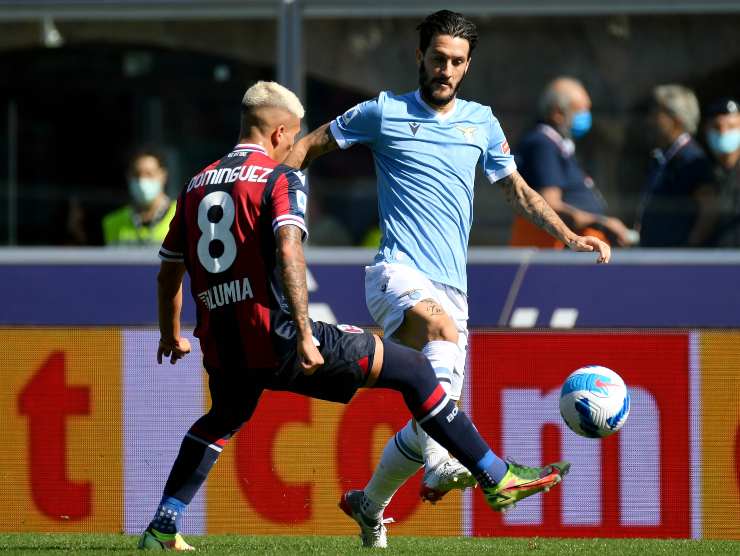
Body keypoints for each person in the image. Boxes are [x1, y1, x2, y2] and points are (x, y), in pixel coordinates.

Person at [138, 81, 572, 551]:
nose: (294, 145)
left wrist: (170, 334)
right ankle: (496, 474)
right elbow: (289, 253)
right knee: (414, 368)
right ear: (281, 132)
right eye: (295, 136)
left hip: (222, 342)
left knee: (222, 416)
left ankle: (164, 525)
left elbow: (168, 275)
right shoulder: (277, 179)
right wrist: (304, 332)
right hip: (279, 334)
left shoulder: (195, 184)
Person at [285, 10, 609, 548]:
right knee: (440, 340)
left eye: (457, 61)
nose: (446, 69)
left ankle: (369, 505)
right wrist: (271, 203)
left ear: (467, 66)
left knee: (431, 413)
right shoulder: (382, 112)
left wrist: (569, 236)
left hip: (453, 289)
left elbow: (520, 191)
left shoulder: (481, 122)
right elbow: (307, 147)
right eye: (438, 58)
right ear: (420, 57)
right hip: (396, 273)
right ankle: (446, 468)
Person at [511, 77, 636, 248]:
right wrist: (601, 222)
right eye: (580, 110)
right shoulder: (543, 144)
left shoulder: (559, 144)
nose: (586, 116)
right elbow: (549, 205)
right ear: (557, 114)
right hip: (554, 253)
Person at [637, 84, 718, 247]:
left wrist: (687, 251)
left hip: (676, 262)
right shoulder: (664, 157)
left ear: (676, 119)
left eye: (656, 113)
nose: (650, 120)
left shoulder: (691, 159)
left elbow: (709, 210)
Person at [102, 148, 176, 245]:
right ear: (128, 177)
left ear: (163, 175)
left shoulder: (183, 215)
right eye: (136, 174)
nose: (142, 180)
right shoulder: (112, 223)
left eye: (149, 174)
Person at [703, 98, 740, 246]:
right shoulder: (699, 171)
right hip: (711, 261)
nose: (724, 133)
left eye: (731, 127)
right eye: (717, 127)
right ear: (706, 130)